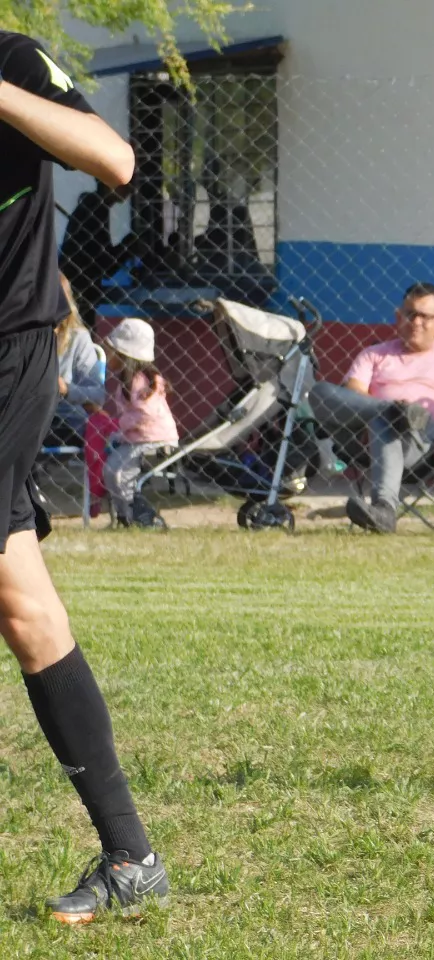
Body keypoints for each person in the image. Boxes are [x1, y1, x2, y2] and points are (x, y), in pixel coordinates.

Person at [0, 30, 169, 920]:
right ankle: (131, 857)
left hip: (9, 353)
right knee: (23, 602)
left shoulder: (14, 62)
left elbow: (115, 160)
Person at [311, 282, 434, 534]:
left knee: (383, 420)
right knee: (321, 393)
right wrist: (393, 410)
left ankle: (385, 508)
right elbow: (353, 392)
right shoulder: (374, 355)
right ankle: (394, 411)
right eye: (410, 314)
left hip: (427, 446)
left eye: (425, 316)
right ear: (399, 317)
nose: (416, 322)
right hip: (368, 439)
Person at [102, 318, 177, 528]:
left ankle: (134, 515)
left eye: (112, 351)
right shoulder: (129, 380)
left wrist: (122, 424)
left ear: (125, 355)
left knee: (120, 474)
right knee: (110, 470)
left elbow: (145, 414)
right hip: (136, 438)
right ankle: (124, 515)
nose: (107, 355)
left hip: (152, 438)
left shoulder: (141, 381)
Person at [44, 273, 105, 448]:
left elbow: (98, 395)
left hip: (63, 421)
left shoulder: (77, 337)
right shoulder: (22, 336)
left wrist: (66, 388)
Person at [60, 179, 131, 327]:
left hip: (80, 286)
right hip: (80, 287)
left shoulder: (94, 206)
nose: (130, 189)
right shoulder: (95, 208)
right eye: (125, 184)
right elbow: (104, 263)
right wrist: (129, 246)